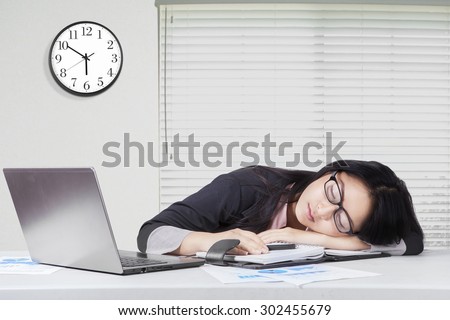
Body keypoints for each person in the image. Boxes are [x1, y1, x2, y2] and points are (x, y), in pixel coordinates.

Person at [137, 160, 424, 256]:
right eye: (332, 192)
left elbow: (412, 242)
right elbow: (149, 235)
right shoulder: (246, 187)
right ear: (330, 171)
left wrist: (318, 238)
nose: (323, 211)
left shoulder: (328, 231)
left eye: (342, 220)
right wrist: (212, 241)